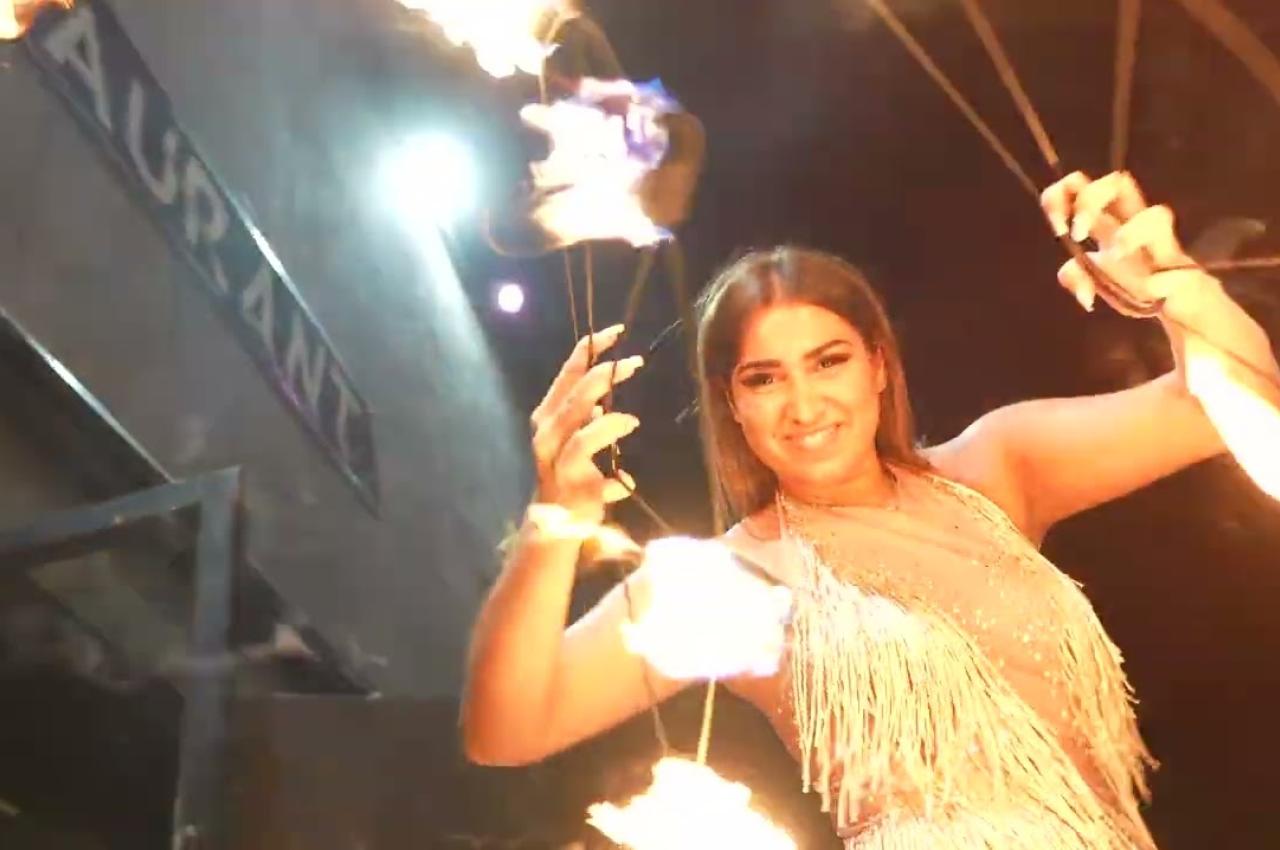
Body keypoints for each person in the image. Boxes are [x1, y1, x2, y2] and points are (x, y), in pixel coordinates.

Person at [459, 171, 1280, 849]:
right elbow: (507, 730)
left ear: (878, 367)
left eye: (829, 362)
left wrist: (1173, 284)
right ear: (732, 405)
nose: (804, 404)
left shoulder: (999, 467)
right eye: (764, 378)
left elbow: (1219, 408)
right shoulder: (734, 580)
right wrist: (553, 521)